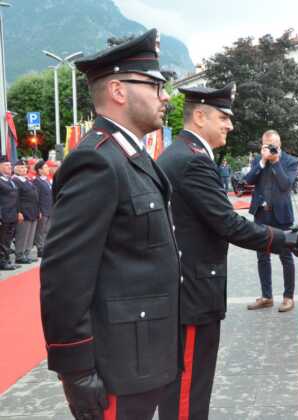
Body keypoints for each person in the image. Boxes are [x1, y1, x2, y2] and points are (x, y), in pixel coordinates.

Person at [39, 29, 182, 420]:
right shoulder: (98, 161)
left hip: (143, 356)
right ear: (119, 91)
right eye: (155, 86)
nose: (165, 97)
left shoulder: (131, 156)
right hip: (116, 366)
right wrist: (76, 369)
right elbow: (65, 274)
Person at [156, 84, 298, 420]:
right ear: (200, 116)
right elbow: (228, 223)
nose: (230, 125)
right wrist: (291, 239)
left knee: (186, 388)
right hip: (193, 291)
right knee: (187, 393)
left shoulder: (180, 153)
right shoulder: (193, 161)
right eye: (223, 117)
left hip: (183, 286)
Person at [245, 129, 298, 312]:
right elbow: (248, 180)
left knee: (286, 256)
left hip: (282, 216)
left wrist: (275, 162)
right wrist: (262, 162)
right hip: (261, 214)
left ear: (279, 144)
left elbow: (286, 185)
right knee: (262, 256)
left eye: (273, 145)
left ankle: (288, 297)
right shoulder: (258, 160)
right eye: (266, 145)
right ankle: (266, 296)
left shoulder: (290, 161)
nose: (269, 149)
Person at [12, 159, 38, 263]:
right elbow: (16, 198)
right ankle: (19, 255)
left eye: (24, 167)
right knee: (22, 234)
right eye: (21, 167)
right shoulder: (15, 180)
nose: (24, 169)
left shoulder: (26, 180)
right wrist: (19, 212)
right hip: (24, 211)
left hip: (32, 210)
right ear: (16, 169)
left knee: (30, 234)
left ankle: (27, 253)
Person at [0, 157, 18, 270]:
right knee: (2, 240)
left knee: (8, 240)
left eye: (10, 165)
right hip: (4, 215)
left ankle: (6, 259)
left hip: (12, 214)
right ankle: (2, 262)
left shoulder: (10, 180)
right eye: (6, 165)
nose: (10, 167)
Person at [32, 160, 53, 258]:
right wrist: (39, 210)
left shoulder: (47, 180)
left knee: (47, 230)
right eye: (45, 167)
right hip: (42, 209)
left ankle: (45, 246)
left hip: (49, 209)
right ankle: (40, 248)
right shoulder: (37, 181)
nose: (48, 169)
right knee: (41, 230)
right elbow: (36, 197)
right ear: (39, 170)